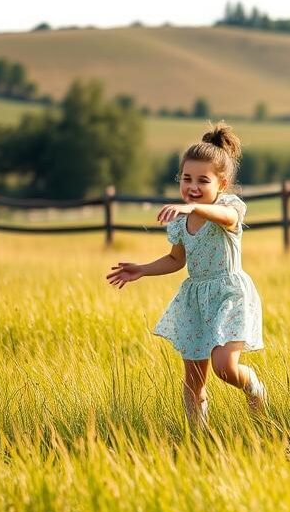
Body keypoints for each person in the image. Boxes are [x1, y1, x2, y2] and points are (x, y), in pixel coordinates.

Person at [106, 122, 265, 428]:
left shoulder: (229, 207)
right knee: (194, 380)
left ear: (222, 183)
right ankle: (199, 438)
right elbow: (175, 260)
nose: (192, 187)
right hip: (195, 298)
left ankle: (254, 387)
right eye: (186, 179)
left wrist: (190, 207)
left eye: (202, 181)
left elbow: (227, 217)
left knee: (224, 367)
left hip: (229, 295)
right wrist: (142, 269)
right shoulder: (181, 221)